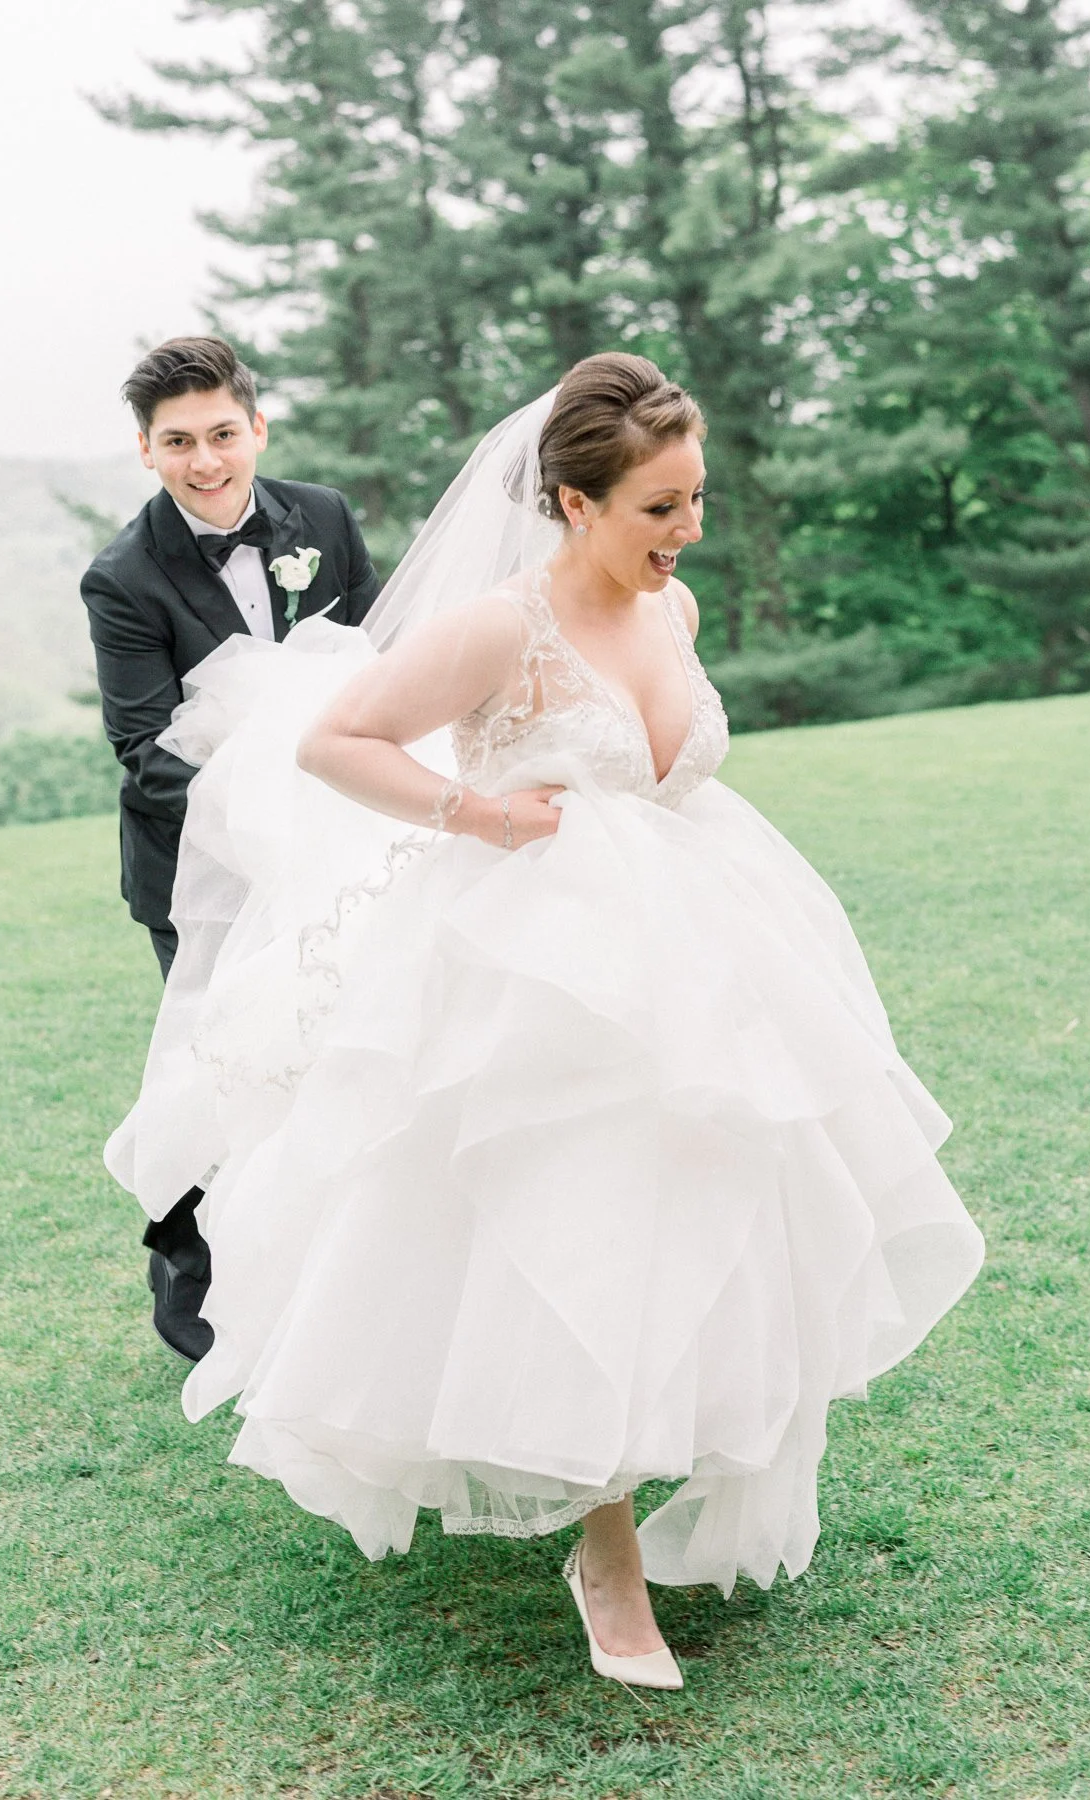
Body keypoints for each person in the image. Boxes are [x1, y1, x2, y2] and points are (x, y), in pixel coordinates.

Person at [106, 353, 984, 1689]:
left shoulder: (671, 608)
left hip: (702, 940)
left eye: (694, 501)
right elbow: (338, 741)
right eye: (658, 509)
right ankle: (606, 1545)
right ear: (574, 503)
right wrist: (480, 811)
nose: (686, 532)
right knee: (581, 1216)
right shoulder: (498, 627)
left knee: (720, 1206)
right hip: (535, 964)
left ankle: (706, 1457)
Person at [82, 336, 381, 1363]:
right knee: (218, 1073)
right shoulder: (121, 576)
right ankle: (191, 1281)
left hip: (347, 852)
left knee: (338, 1058)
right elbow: (143, 751)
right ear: (145, 450)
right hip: (203, 876)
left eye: (221, 434)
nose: (205, 461)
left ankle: (332, 1278)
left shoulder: (326, 519)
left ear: (257, 426)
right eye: (178, 443)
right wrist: (272, 817)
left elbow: (381, 667)